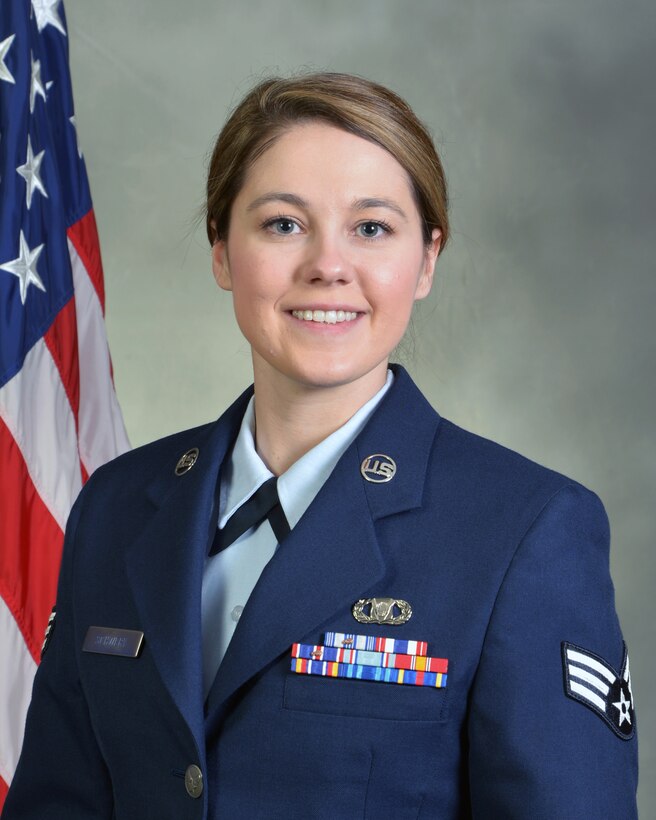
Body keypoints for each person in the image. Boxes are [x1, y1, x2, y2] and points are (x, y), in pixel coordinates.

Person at [3, 73, 638, 819]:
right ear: (220, 249)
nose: (327, 266)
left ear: (427, 259)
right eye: (282, 224)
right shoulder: (114, 508)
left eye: (372, 228)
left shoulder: (524, 530)